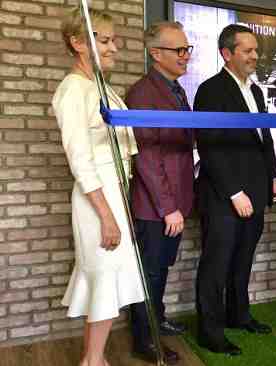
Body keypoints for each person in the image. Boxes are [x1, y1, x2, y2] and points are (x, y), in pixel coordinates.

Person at [52, 7, 144, 366]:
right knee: (103, 282)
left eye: (113, 40)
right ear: (78, 43)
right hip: (96, 200)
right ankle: (93, 361)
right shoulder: (73, 90)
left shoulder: (102, 88)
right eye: (103, 41)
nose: (114, 48)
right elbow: (80, 160)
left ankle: (94, 359)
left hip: (113, 196)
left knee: (105, 285)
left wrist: (121, 209)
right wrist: (106, 215)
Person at [192, 24, 276, 356]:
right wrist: (233, 193)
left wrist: (274, 174)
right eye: (247, 50)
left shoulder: (256, 91)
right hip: (223, 197)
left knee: (243, 259)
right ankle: (210, 333)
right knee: (216, 265)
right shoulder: (210, 90)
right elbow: (209, 146)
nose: (255, 56)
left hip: (257, 191)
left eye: (256, 50)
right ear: (226, 53)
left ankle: (238, 315)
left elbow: (264, 137)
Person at [125, 21, 195, 364]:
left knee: (161, 269)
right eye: (179, 50)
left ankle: (158, 318)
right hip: (156, 207)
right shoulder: (142, 93)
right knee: (150, 272)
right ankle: (145, 339)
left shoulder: (176, 89)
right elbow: (148, 158)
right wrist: (169, 207)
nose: (186, 57)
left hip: (176, 201)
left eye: (187, 49)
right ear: (156, 53)